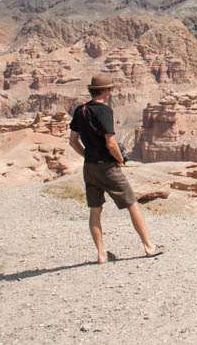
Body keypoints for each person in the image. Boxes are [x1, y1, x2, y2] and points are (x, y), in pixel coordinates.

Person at [69, 75, 162, 264]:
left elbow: (72, 141)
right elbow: (110, 143)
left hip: (89, 167)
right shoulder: (104, 111)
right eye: (109, 90)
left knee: (95, 210)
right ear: (105, 91)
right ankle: (148, 246)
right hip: (106, 166)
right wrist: (120, 160)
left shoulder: (80, 110)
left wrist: (87, 155)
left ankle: (101, 253)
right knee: (132, 203)